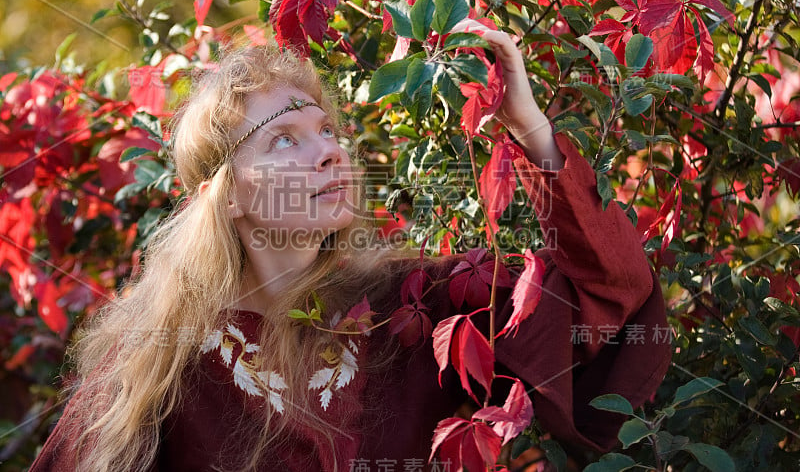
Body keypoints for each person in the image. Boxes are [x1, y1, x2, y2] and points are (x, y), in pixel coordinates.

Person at [29, 28, 671, 471]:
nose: (329, 150)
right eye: (284, 140)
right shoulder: (158, 355)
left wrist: (529, 127)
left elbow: (611, 290)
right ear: (226, 196)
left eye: (328, 130)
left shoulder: (419, 309)